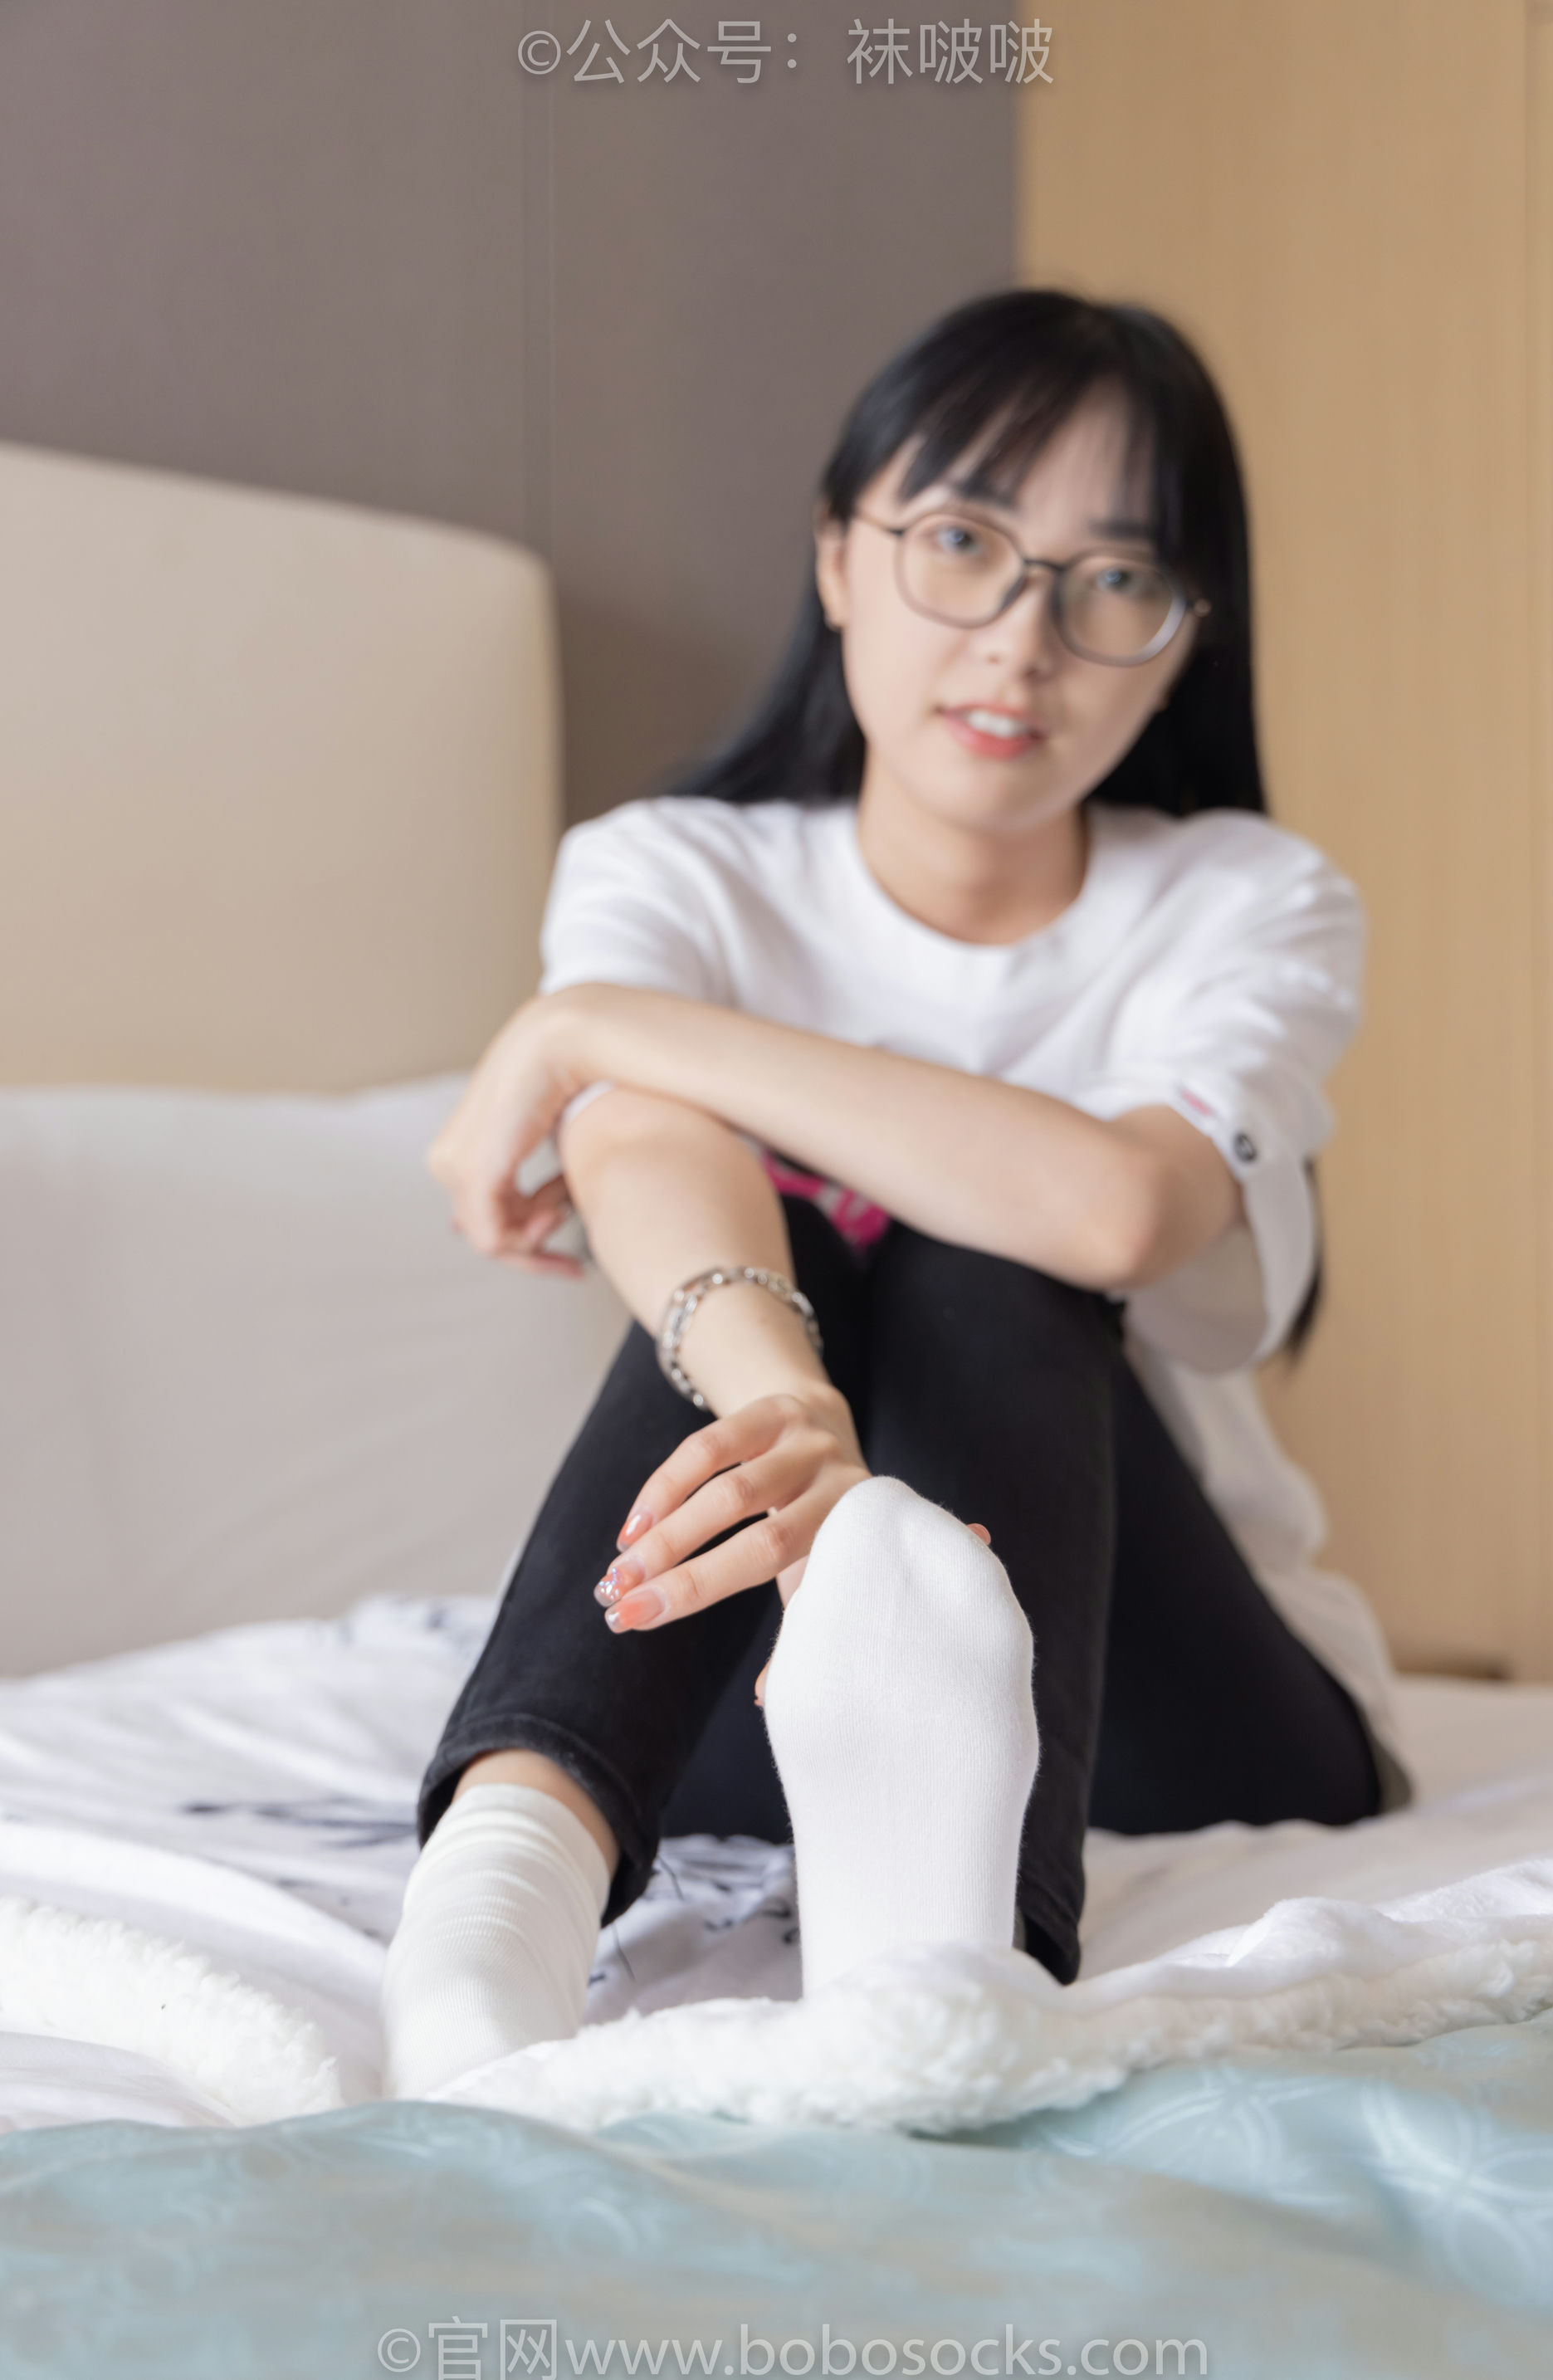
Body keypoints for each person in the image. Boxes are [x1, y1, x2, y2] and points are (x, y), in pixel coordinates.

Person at [379, 287, 1411, 2101]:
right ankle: (500, 1890)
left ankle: (957, 1952)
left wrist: (596, 1024)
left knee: (983, 1238)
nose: (1020, 640)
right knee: (767, 1242)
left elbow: (1117, 1215)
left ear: (1183, 638)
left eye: (1111, 580)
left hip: (1182, 1708)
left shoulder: (1248, 899)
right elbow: (646, 1153)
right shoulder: (676, 870)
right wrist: (791, 1419)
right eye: (959, 542)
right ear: (838, 555)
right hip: (755, 1672)